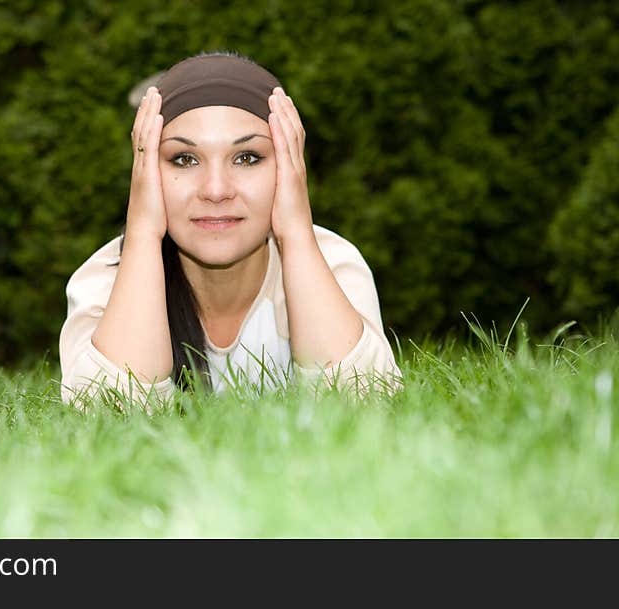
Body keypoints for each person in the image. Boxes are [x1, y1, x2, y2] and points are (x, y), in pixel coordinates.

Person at [58, 51, 403, 411]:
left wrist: (297, 233)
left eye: (247, 158)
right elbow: (110, 415)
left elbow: (365, 402)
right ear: (147, 173)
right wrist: (143, 232)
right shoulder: (108, 277)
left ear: (288, 166)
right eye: (184, 159)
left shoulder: (331, 262)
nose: (216, 189)